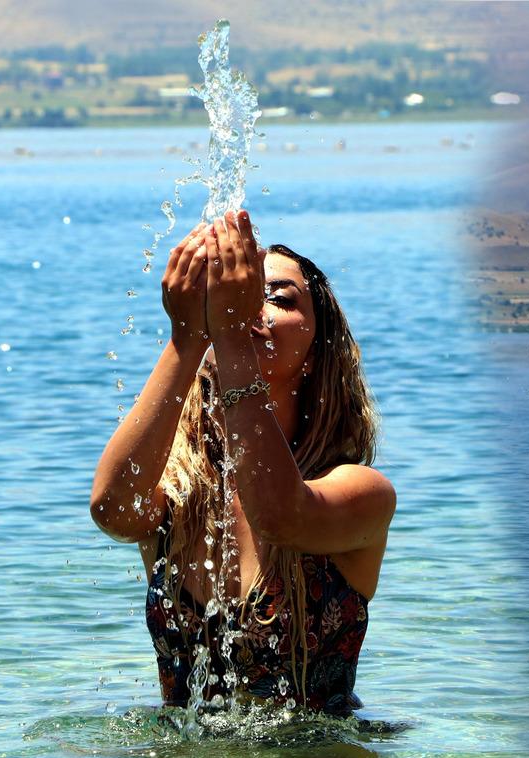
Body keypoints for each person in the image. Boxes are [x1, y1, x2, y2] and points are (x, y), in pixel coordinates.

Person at [90, 211, 395, 714]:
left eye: (278, 298)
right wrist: (188, 337)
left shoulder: (361, 491)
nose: (252, 304)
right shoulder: (179, 493)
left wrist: (231, 335)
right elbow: (112, 510)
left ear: (317, 350)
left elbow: (279, 516)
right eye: (238, 293)